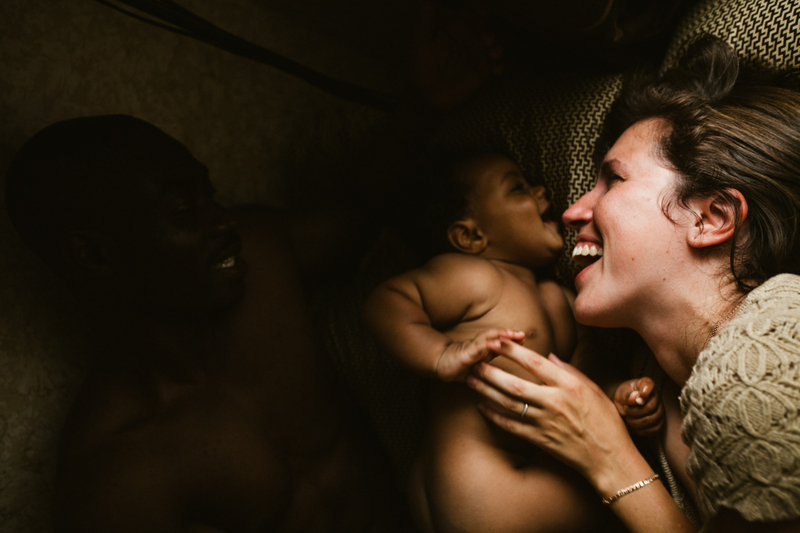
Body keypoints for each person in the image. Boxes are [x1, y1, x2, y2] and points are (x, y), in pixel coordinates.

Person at [4, 115, 412, 533]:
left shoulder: (261, 253)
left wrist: (425, 107)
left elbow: (361, 208)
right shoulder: (116, 484)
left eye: (210, 195)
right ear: (94, 255)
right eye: (184, 210)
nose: (224, 221)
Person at [464, 36, 800, 532]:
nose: (573, 211)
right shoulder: (656, 378)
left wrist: (607, 456)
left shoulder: (764, 357)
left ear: (710, 218)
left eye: (614, 180)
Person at [363, 150, 662, 532]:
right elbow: (386, 302)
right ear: (471, 236)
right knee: (637, 481)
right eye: (518, 188)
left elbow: (584, 377)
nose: (541, 190)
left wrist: (619, 395)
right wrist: (442, 355)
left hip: (496, 485)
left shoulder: (563, 298)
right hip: (480, 483)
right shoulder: (472, 275)